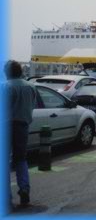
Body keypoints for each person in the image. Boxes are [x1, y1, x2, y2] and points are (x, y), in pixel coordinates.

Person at [4, 60, 37, 209]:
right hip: (23, 126)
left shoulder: (5, 86)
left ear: (7, 73)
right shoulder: (31, 87)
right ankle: (24, 190)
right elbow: (33, 105)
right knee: (21, 159)